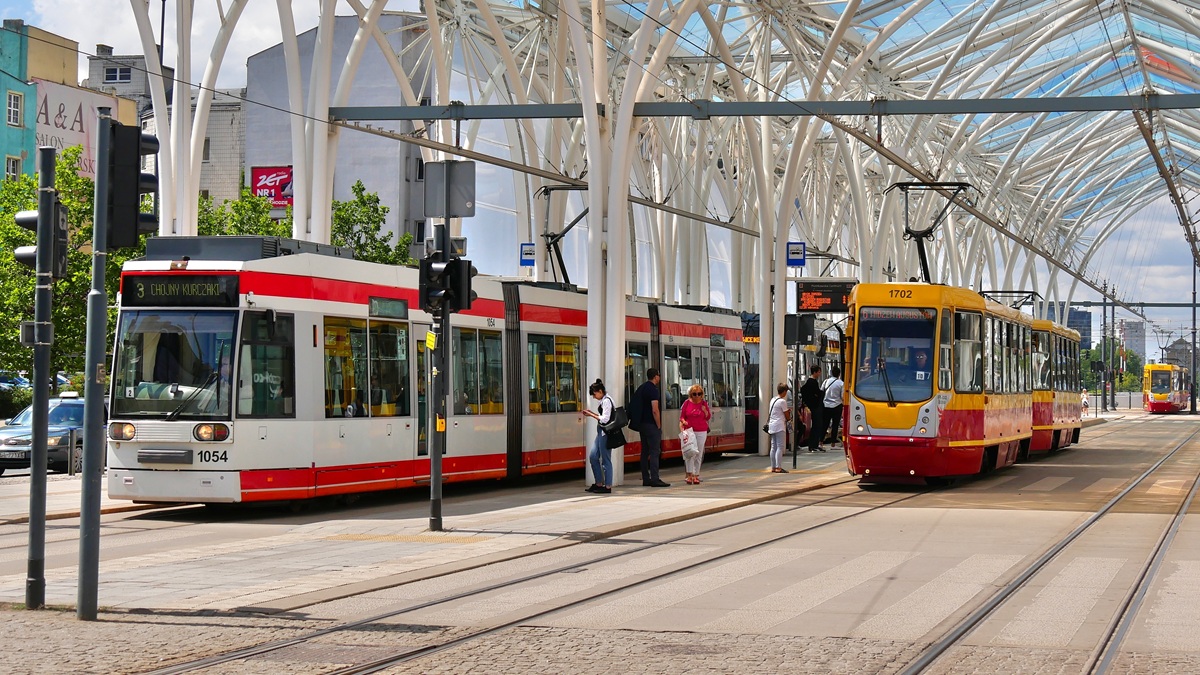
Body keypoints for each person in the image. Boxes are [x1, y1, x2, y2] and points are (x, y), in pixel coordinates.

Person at [634, 368, 669, 487]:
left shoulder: (642, 388)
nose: (659, 378)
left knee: (644, 452)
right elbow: (655, 410)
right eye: (659, 375)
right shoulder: (653, 390)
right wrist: (658, 425)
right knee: (654, 451)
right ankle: (655, 478)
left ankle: (646, 478)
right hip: (651, 425)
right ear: (655, 377)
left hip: (642, 424)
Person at [580, 379, 614, 494]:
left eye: (594, 394)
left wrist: (591, 414)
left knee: (606, 460)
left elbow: (605, 419)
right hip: (601, 432)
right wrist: (592, 414)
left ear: (600, 391)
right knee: (593, 456)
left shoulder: (607, 401)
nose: (594, 397)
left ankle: (608, 486)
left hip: (606, 433)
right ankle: (599, 482)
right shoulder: (603, 401)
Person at [679, 384, 712, 485]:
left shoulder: (704, 404)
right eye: (694, 394)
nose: (697, 396)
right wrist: (684, 423)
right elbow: (682, 417)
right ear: (691, 394)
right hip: (689, 431)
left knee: (699, 453)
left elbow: (708, 417)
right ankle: (689, 475)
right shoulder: (686, 403)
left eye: (699, 394)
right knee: (690, 453)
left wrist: (705, 411)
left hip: (701, 430)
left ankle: (696, 475)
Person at [766, 382, 791, 472]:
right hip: (780, 425)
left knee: (773, 446)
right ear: (784, 391)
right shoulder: (782, 401)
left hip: (772, 425)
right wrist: (789, 414)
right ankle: (778, 467)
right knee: (780, 446)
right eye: (786, 392)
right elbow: (787, 416)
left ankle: (773, 467)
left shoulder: (772, 400)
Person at [800, 365, 824, 452]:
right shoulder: (812, 382)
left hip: (813, 406)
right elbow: (817, 393)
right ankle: (813, 445)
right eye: (818, 372)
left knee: (816, 426)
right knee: (817, 426)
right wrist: (818, 395)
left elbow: (803, 390)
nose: (819, 374)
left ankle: (814, 445)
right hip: (815, 407)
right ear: (814, 372)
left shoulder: (809, 382)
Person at [821, 366, 845, 447]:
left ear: (831, 373)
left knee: (825, 424)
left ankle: (821, 441)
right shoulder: (841, 383)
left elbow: (821, 391)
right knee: (835, 424)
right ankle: (833, 443)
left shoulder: (826, 381)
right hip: (837, 406)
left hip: (826, 405)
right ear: (839, 374)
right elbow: (842, 396)